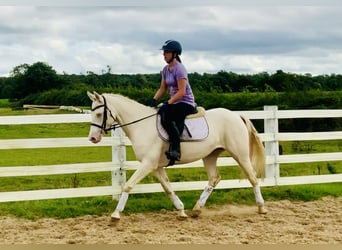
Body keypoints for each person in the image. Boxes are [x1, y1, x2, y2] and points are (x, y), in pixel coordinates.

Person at [150, 40, 196, 166]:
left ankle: (175, 149)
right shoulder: (165, 69)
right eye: (164, 52)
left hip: (186, 102)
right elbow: (162, 88)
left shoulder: (180, 69)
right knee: (161, 112)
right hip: (175, 102)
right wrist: (153, 100)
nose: (164, 55)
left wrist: (168, 103)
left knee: (166, 114)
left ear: (175, 54)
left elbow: (182, 92)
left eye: (167, 52)